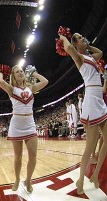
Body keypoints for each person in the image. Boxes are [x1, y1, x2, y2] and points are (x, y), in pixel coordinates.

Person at [59, 33, 107, 195]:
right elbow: (68, 48)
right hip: (92, 99)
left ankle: (94, 175)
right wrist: (63, 37)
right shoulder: (79, 57)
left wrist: (87, 44)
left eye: (83, 37)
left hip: (100, 99)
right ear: (75, 43)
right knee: (90, 147)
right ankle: (80, 178)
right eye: (80, 38)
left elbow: (99, 52)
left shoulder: (92, 57)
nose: (84, 38)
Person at [0, 65, 48, 193]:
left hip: (30, 123)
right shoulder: (11, 89)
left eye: (21, 71)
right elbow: (0, 82)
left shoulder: (31, 88)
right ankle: (17, 179)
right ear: (13, 76)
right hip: (16, 125)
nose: (20, 73)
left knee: (33, 156)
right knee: (18, 157)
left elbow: (45, 82)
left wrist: (33, 73)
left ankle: (28, 179)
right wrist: (1, 72)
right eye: (17, 72)